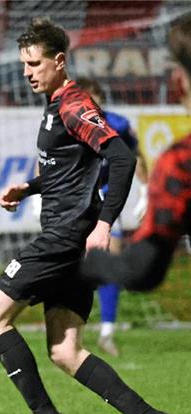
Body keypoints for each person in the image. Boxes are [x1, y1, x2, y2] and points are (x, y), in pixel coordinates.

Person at [0, 17, 177, 414]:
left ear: (59, 61)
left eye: (35, 63)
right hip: (71, 235)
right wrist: (28, 188)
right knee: (66, 350)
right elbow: (67, 175)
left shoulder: (72, 105)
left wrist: (105, 224)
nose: (28, 72)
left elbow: (121, 158)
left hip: (66, 236)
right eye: (24, 64)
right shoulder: (55, 105)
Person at [81, 11, 191, 293]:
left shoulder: (180, 161)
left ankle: (106, 329)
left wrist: (87, 264)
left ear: (179, 83)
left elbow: (142, 271)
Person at [75, 77, 147, 357]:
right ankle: (69, 326)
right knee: (71, 263)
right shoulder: (70, 121)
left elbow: (135, 155)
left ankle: (107, 332)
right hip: (74, 199)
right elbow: (46, 155)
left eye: (95, 97)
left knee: (110, 257)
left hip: (104, 199)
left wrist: (146, 190)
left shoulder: (117, 124)